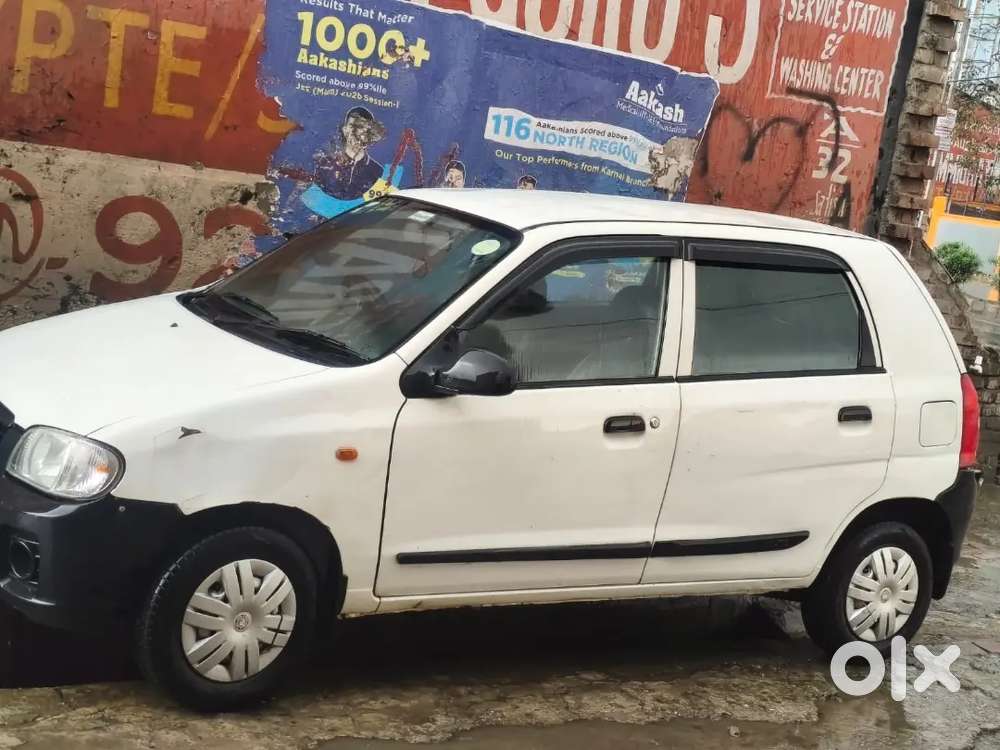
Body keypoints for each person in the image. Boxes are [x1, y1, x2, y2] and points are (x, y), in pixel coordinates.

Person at [279, 107, 387, 200]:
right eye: (351, 126)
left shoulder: (378, 172)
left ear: (370, 134)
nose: (355, 132)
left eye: (361, 128)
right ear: (344, 129)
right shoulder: (324, 164)